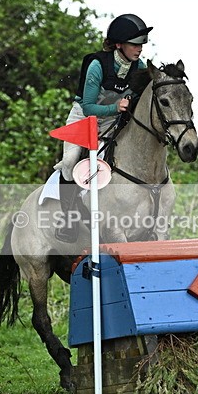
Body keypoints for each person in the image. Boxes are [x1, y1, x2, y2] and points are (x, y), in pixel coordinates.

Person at [53, 13, 152, 242]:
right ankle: (67, 220)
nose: (139, 49)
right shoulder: (97, 65)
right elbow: (88, 107)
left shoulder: (140, 67)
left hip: (113, 121)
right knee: (70, 162)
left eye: (141, 44)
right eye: (134, 44)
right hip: (84, 119)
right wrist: (116, 107)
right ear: (119, 44)